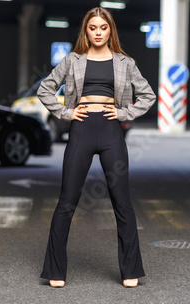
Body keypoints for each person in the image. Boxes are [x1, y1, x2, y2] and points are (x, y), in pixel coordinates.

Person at [38, 7, 156, 288]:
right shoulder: (73, 60)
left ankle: (130, 271)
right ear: (86, 31)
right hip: (81, 128)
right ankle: (55, 270)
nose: (98, 32)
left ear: (110, 30)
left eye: (103, 28)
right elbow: (45, 89)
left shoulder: (125, 62)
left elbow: (148, 95)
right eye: (93, 28)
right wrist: (66, 114)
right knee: (67, 201)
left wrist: (124, 114)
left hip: (110, 128)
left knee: (122, 202)